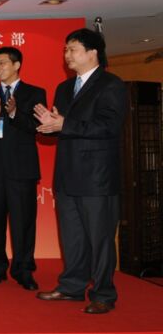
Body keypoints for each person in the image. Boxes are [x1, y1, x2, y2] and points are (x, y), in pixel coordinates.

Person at [34, 28, 127, 314]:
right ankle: (71, 287)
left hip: (97, 177)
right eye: (66, 49)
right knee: (72, 237)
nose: (67, 55)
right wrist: (51, 125)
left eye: (72, 49)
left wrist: (65, 124)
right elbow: (64, 127)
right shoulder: (64, 88)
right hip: (67, 175)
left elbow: (109, 126)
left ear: (92, 52)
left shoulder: (111, 85)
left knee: (100, 239)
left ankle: (103, 294)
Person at [0, 47, 46, 290]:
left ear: (16, 65)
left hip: (22, 169)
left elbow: (36, 127)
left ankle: (24, 270)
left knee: (23, 222)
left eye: (2, 63)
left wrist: (13, 113)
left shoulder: (35, 93)